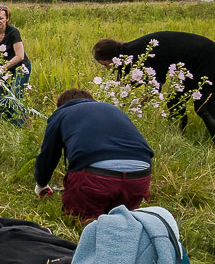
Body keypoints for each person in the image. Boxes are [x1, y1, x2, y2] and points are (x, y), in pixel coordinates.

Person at [93, 31, 215, 151]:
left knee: (204, 107)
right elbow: (137, 81)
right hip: (192, 64)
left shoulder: (135, 55)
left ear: (114, 57)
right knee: (174, 102)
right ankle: (177, 141)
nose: (107, 69)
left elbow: (155, 86)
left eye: (106, 64)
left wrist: (138, 104)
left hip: (208, 58)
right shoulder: (130, 53)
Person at [34, 88, 155, 221]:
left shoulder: (61, 113)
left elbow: (48, 156)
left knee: (80, 224)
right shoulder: (113, 109)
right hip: (139, 176)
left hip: (94, 178)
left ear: (61, 106)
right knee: (121, 223)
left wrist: (41, 184)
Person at [0, 4, 33, 126]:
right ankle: (6, 124)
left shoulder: (13, 32)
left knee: (15, 96)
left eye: (1, 18)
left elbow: (20, 56)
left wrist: (2, 68)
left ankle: (20, 125)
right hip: (1, 68)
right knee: (3, 96)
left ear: (7, 19)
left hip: (20, 67)